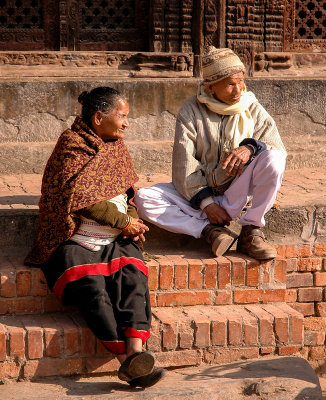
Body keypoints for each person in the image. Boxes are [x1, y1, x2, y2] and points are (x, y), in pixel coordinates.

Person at [24, 86, 166, 388]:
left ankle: (136, 353)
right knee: (94, 288)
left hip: (115, 236)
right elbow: (79, 199)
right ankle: (127, 361)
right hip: (74, 235)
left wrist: (134, 220)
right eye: (123, 116)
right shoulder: (71, 146)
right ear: (100, 117)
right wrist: (123, 221)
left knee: (133, 279)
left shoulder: (116, 145)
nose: (127, 123)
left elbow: (127, 194)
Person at [135, 47, 287, 260]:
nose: (238, 90)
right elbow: (183, 164)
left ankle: (251, 231)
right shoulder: (191, 110)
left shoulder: (251, 106)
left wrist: (250, 148)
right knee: (144, 198)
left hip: (236, 193)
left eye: (240, 82)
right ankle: (210, 231)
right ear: (211, 87)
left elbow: (275, 146)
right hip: (198, 194)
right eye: (230, 84)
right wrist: (207, 204)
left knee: (275, 159)